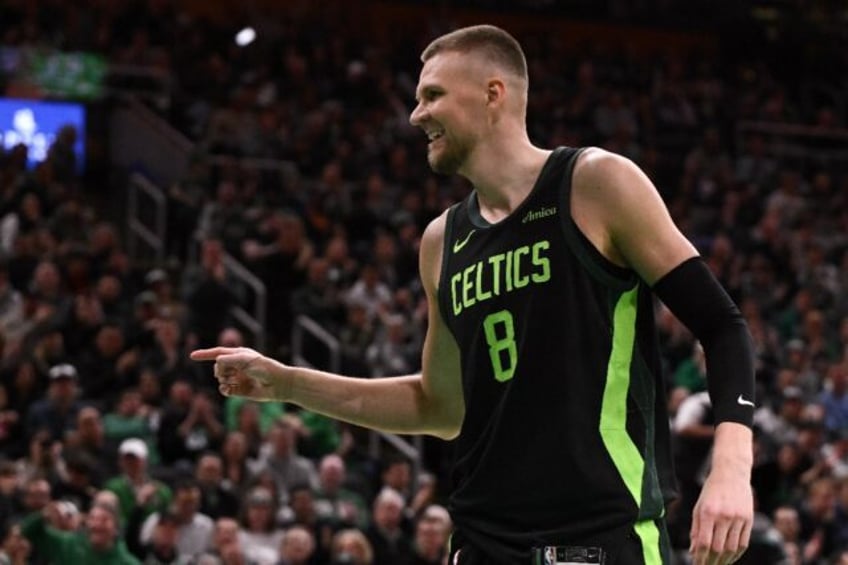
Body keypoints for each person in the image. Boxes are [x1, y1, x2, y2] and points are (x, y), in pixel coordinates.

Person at [191, 24, 755, 565]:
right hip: (482, 541)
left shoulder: (593, 184)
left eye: (431, 95)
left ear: (493, 94)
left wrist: (730, 468)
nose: (416, 116)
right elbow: (439, 406)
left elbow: (722, 326)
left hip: (598, 535)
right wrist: (287, 382)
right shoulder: (442, 242)